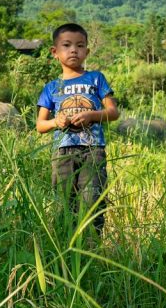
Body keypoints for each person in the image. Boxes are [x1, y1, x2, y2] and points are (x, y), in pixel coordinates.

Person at [36, 23, 119, 234]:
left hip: (93, 151)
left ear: (87, 52)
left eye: (80, 45)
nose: (73, 50)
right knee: (64, 202)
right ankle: (66, 245)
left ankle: (92, 245)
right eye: (66, 45)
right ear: (55, 52)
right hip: (62, 152)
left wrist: (92, 115)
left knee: (92, 199)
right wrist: (57, 122)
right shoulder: (51, 87)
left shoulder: (96, 78)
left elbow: (113, 112)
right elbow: (40, 125)